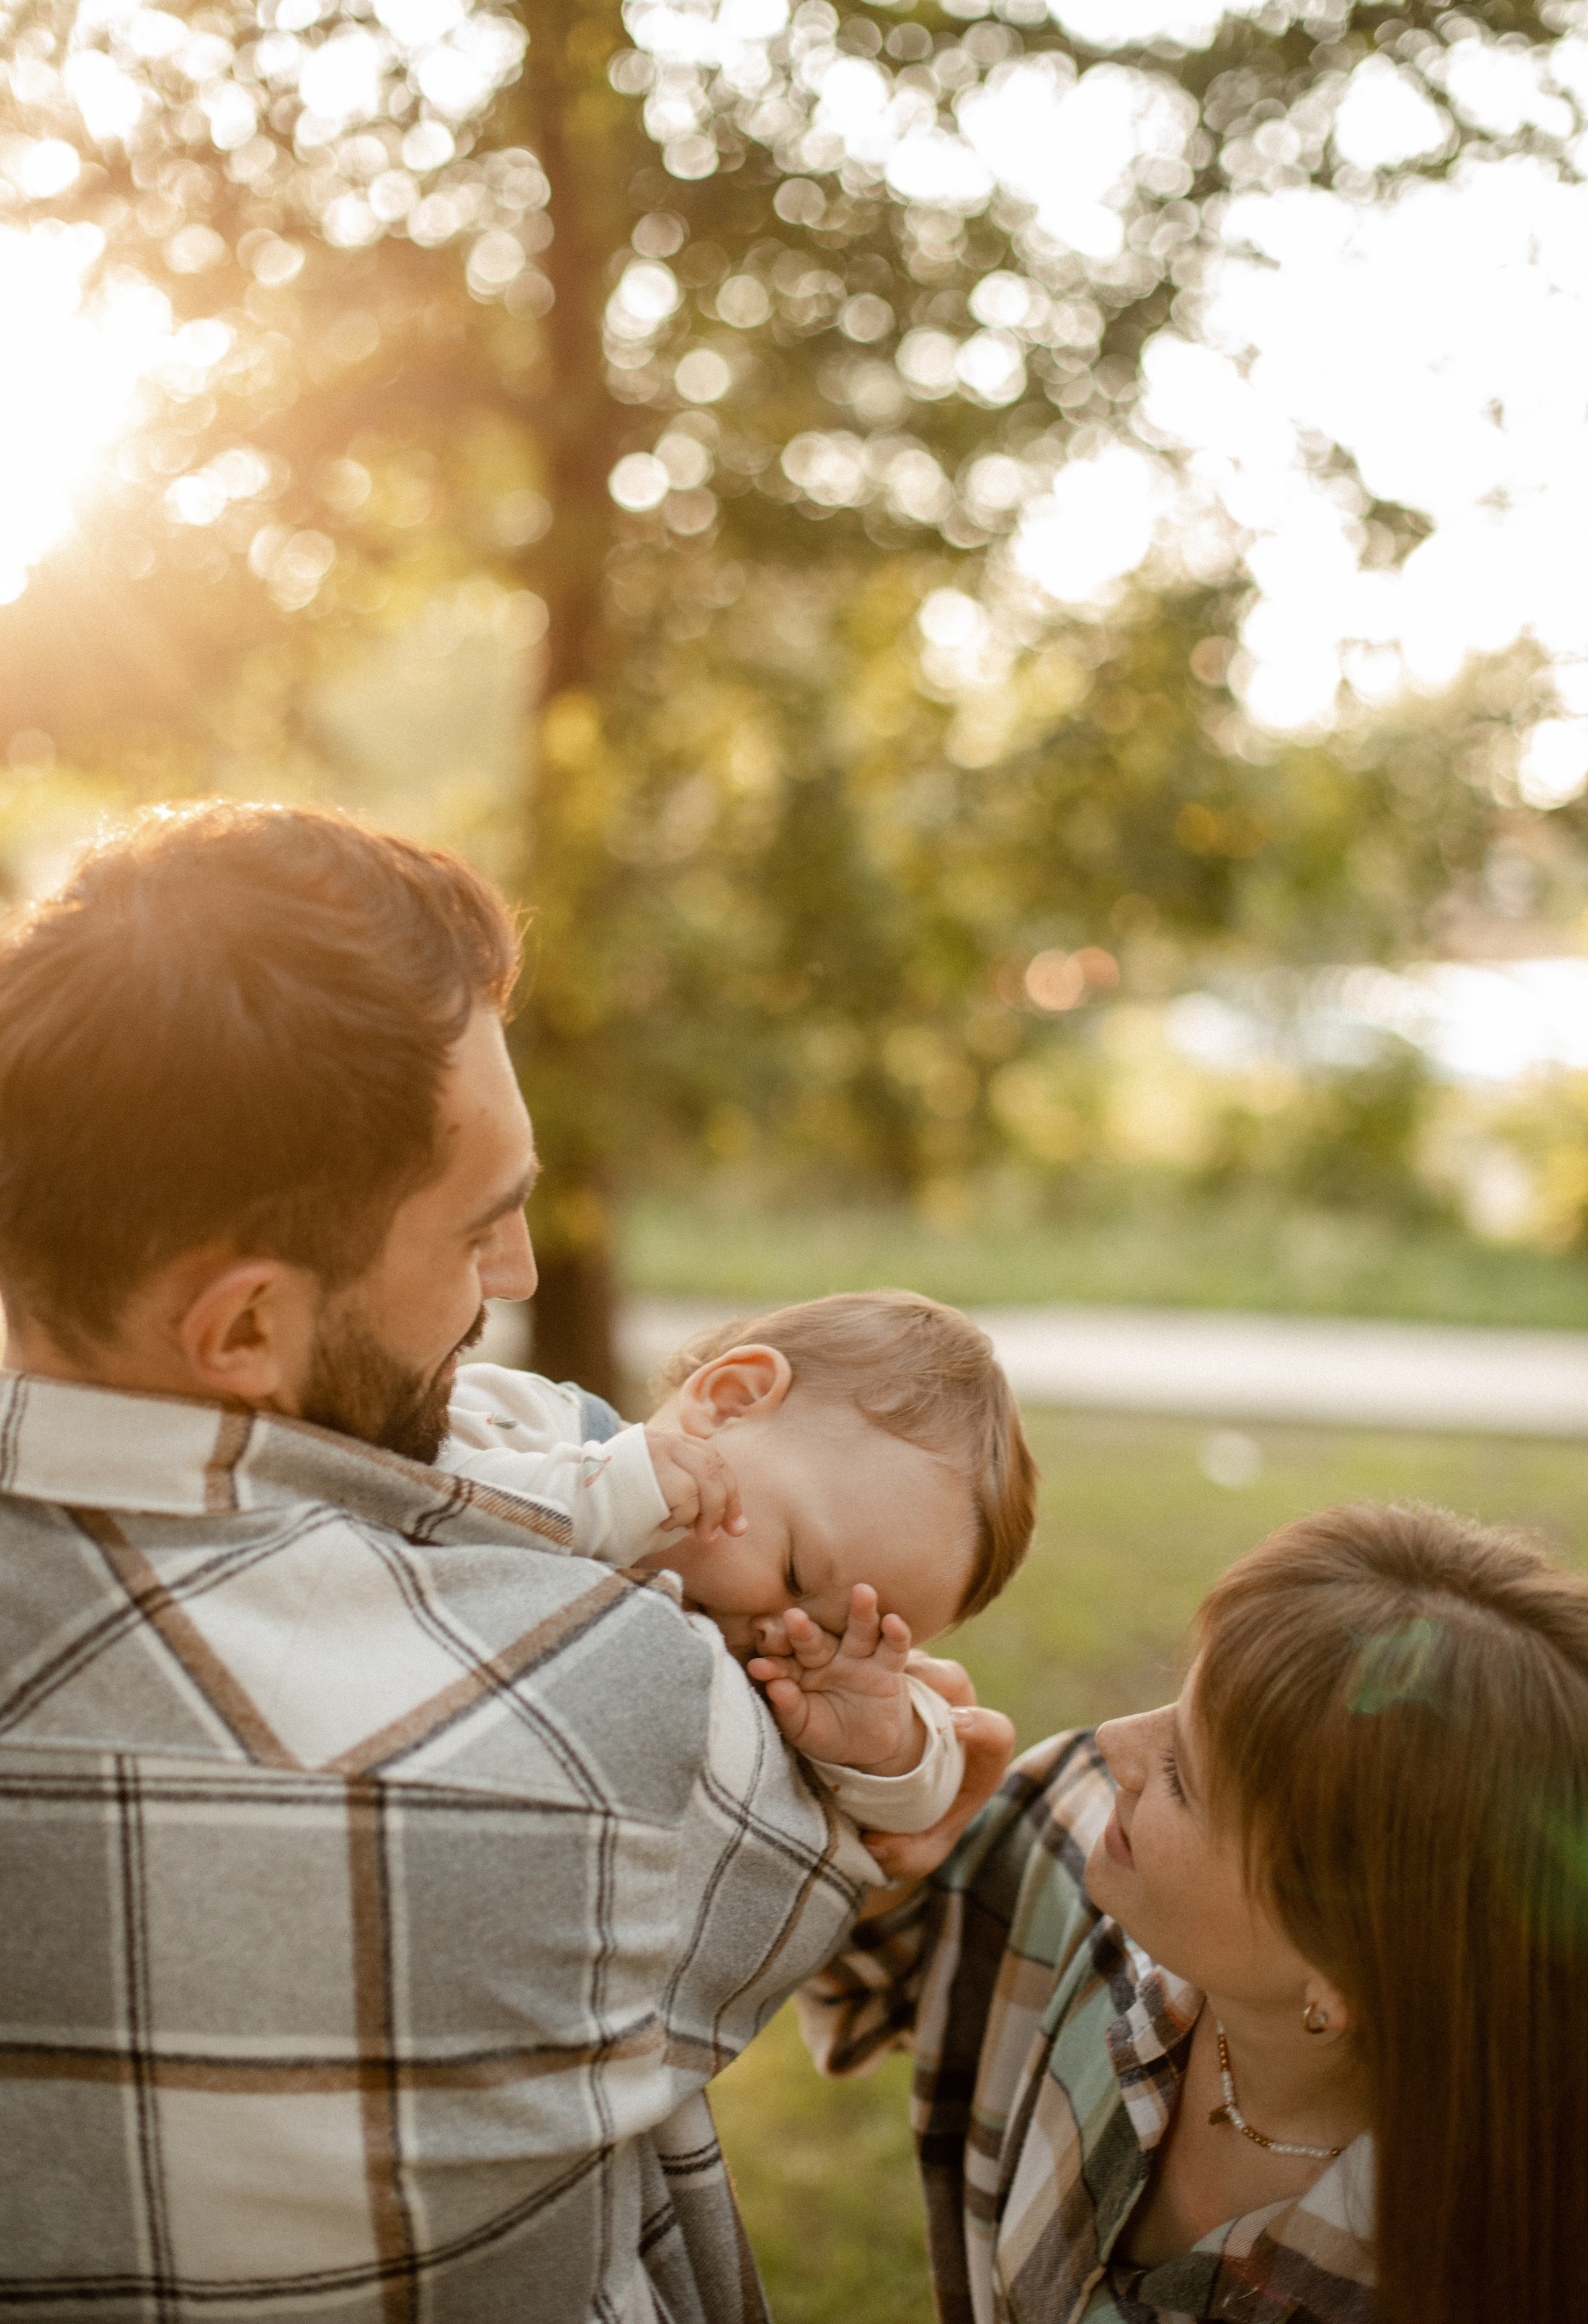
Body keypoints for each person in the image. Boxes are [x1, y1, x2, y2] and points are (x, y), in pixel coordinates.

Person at [0, 800, 1012, 2322]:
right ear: (248, 1328)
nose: (521, 1275)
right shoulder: (587, 1711)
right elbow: (881, 1798)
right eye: (481, 1226)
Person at [801, 1500, 1588, 2324]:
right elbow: (880, 1975)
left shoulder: (1478, 2271)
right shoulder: (1071, 1828)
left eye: (1181, 1773)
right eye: (1176, 1706)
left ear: (1349, 1969)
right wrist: (891, 1797)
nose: (1110, 1742)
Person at [444, 1290, 1038, 1830]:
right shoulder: (531, 1421)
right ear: (730, 1404)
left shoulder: (796, 1670)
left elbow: (922, 1797)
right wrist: (606, 1495)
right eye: (794, 1574)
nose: (787, 1631)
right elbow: (407, 1483)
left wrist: (883, 1744)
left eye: (841, 1633)